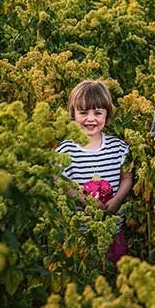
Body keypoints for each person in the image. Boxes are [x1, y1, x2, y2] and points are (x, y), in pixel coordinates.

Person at [56, 79, 133, 264]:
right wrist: (84, 200)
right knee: (85, 270)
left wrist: (116, 200)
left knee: (115, 270)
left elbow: (127, 177)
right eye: (83, 113)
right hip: (81, 231)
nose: (91, 119)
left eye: (97, 113)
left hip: (113, 227)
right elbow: (60, 181)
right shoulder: (66, 150)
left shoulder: (118, 147)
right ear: (73, 115)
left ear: (107, 116)